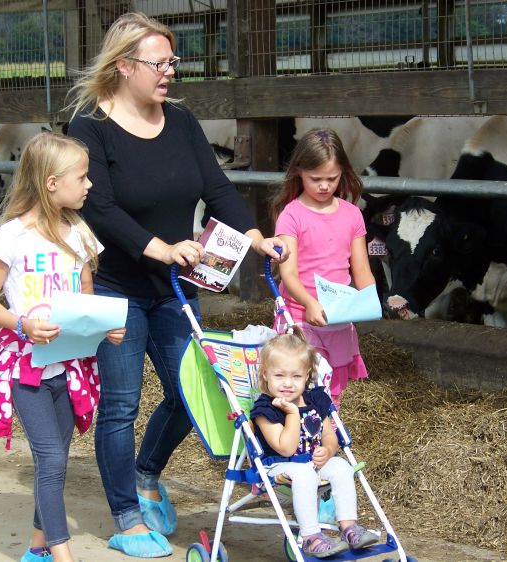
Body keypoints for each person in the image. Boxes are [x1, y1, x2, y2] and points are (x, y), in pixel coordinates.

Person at [64, 11, 287, 558]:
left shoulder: (181, 121)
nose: (169, 72)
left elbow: (216, 187)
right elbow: (101, 207)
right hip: (117, 286)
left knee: (195, 392)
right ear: (123, 66)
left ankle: (145, 476)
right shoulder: (89, 126)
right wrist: (158, 247)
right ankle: (126, 516)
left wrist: (256, 235)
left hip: (174, 288)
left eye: (172, 62)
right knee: (121, 404)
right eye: (159, 63)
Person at [0, 132, 126, 562]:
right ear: (51, 182)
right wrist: (22, 325)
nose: (90, 184)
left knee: (54, 460)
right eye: (82, 176)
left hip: (70, 365)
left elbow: (86, 303)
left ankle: (36, 549)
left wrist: (105, 330)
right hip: (27, 367)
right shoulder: (12, 237)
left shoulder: (79, 235)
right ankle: (64, 555)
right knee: (52, 460)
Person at [271, 127, 376, 411]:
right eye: (315, 179)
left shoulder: (352, 214)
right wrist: (310, 303)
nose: (324, 186)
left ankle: (326, 445)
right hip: (301, 316)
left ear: (343, 172)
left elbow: (361, 270)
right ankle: (296, 444)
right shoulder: (291, 215)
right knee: (299, 386)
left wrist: (370, 301)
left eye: (332, 178)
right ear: (299, 173)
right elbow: (288, 274)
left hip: (338, 316)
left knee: (334, 389)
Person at [250, 330, 379, 558]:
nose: (288, 384)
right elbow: (285, 448)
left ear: (307, 375)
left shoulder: (315, 400)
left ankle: (349, 527)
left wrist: (328, 450)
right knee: (304, 474)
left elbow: (329, 435)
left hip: (312, 462)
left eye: (296, 377)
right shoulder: (265, 410)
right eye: (280, 376)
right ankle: (310, 538)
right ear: (266, 374)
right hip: (280, 466)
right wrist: (291, 414)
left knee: (341, 466)